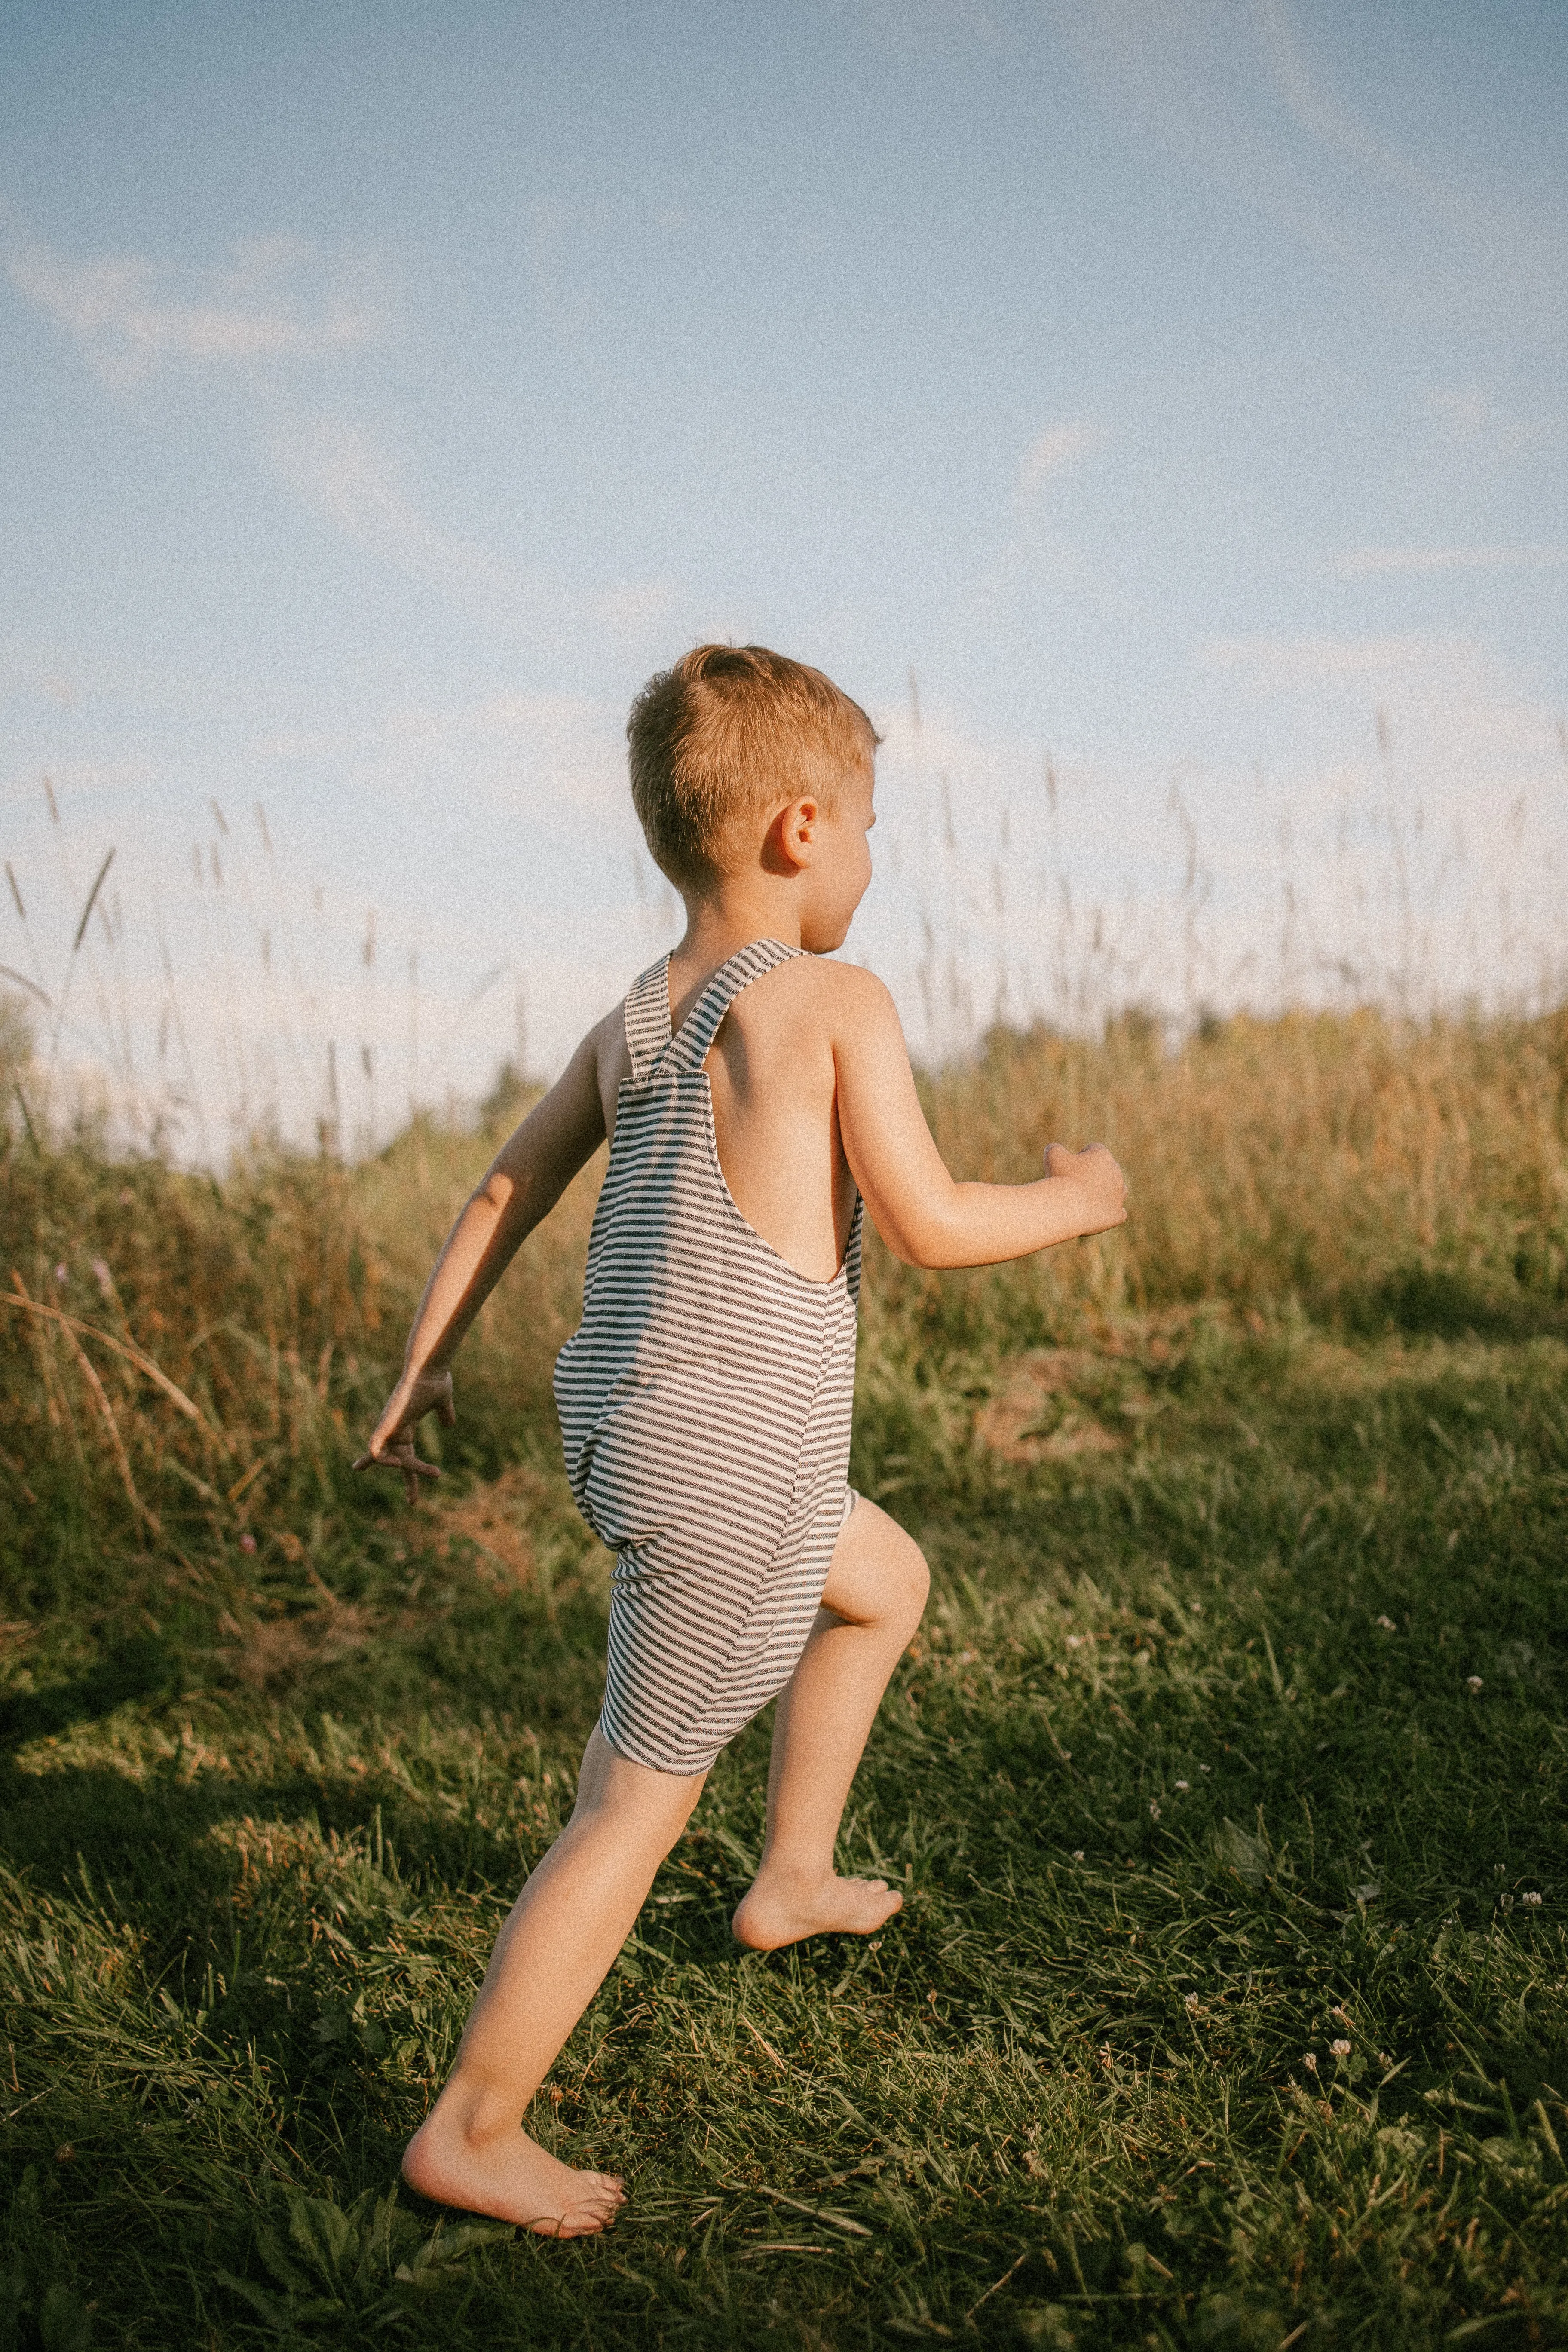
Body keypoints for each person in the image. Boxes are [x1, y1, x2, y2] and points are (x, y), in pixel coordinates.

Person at [356, 644, 1127, 2236]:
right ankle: (474, 2123)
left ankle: (792, 1874)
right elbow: (922, 1222)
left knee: (883, 1582)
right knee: (628, 1806)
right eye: (866, 825)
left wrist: (425, 1365)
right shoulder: (833, 1001)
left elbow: (501, 1191)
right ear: (796, 830)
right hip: (732, 1470)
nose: (869, 858)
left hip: (643, 1432)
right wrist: (1081, 1198)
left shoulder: (637, 1021)